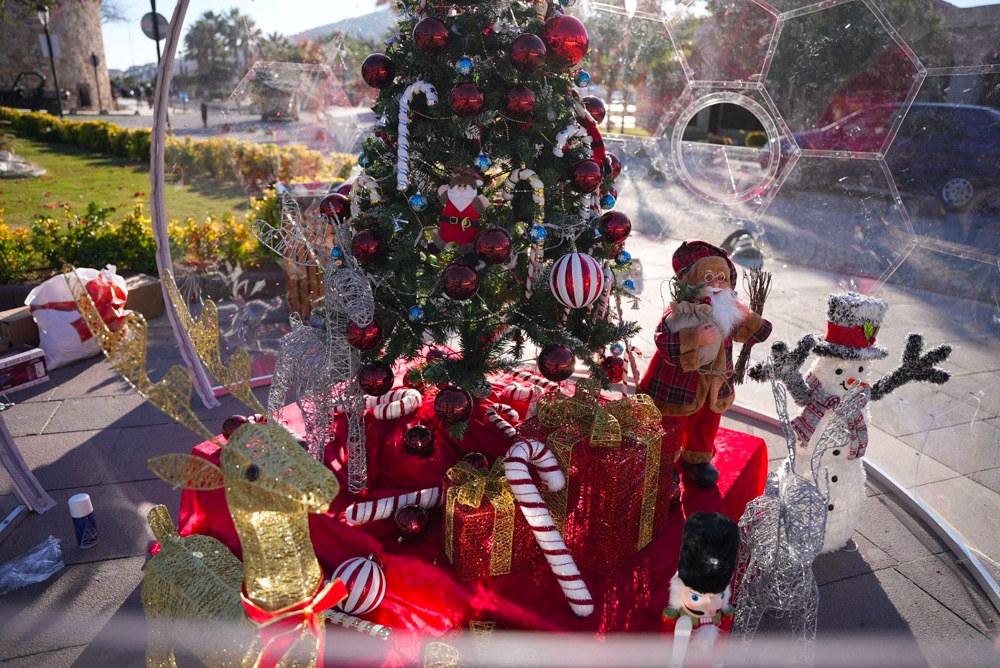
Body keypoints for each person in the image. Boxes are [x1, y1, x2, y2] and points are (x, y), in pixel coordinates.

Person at [639, 240, 772, 487]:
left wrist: (748, 316)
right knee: (673, 425)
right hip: (680, 383)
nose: (715, 283)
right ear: (691, 282)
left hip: (715, 382)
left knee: (707, 421)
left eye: (721, 277)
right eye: (707, 277)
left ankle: (697, 458)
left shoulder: (731, 311)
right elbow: (663, 341)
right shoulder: (682, 311)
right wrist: (694, 337)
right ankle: (665, 462)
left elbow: (760, 334)